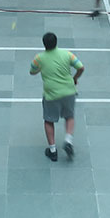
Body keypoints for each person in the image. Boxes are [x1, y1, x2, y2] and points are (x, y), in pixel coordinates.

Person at [30, 33, 85, 162]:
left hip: (51, 94)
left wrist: (40, 69)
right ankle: (68, 140)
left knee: (49, 120)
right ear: (56, 42)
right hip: (69, 91)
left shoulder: (39, 58)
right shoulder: (67, 54)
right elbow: (81, 67)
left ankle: (53, 151)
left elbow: (32, 71)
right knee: (69, 116)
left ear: (44, 44)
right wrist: (75, 78)